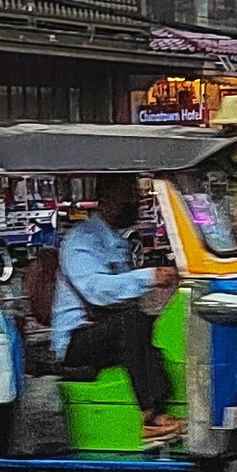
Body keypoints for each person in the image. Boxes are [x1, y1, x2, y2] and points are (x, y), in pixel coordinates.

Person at [50, 174, 178, 424]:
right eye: (128, 195)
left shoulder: (117, 240)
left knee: (155, 326)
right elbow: (97, 290)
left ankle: (166, 405)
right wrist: (149, 277)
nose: (135, 201)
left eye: (136, 195)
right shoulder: (81, 241)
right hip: (76, 341)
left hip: (104, 331)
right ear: (105, 198)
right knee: (132, 323)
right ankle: (149, 414)